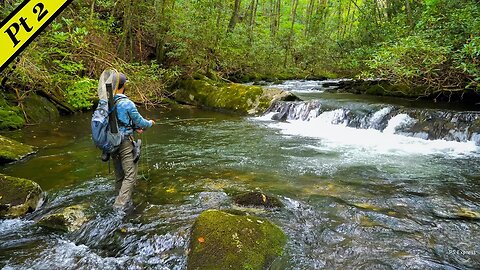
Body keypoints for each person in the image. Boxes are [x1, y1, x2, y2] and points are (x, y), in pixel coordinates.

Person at [111, 73, 155, 210]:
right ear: (123, 85)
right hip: (124, 142)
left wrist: (135, 128)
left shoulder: (106, 102)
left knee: (119, 174)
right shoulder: (126, 103)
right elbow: (141, 121)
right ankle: (119, 206)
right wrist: (150, 123)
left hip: (111, 142)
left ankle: (118, 197)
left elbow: (118, 121)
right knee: (130, 175)